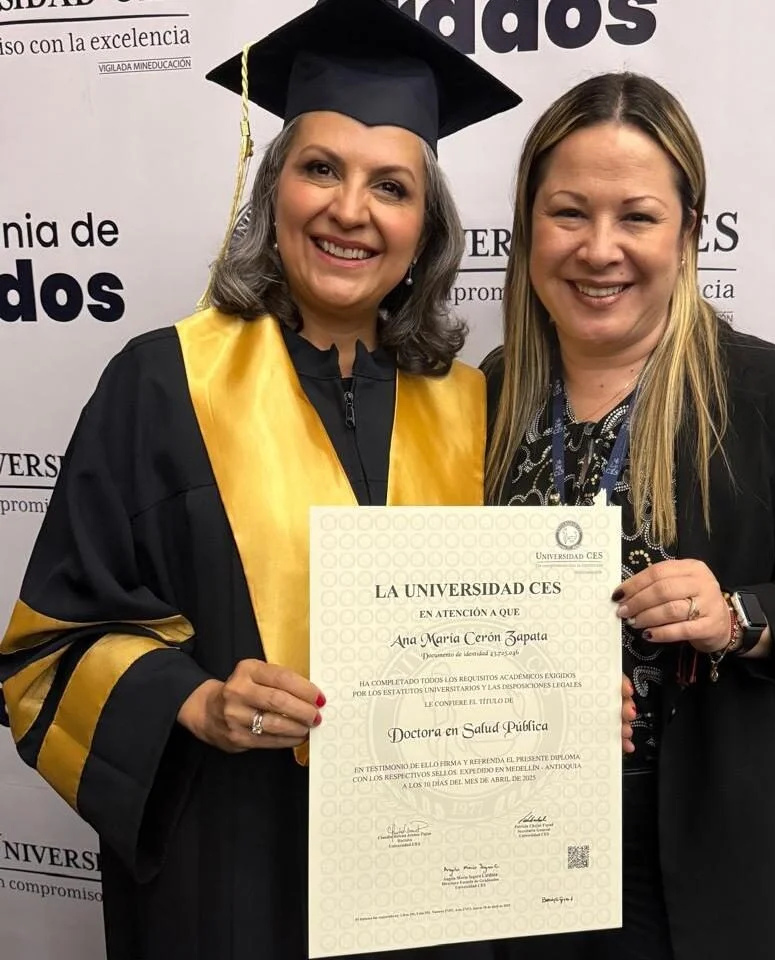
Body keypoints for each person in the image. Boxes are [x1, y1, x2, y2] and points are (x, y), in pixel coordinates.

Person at [0, 2, 520, 959]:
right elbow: (49, 649)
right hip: (227, 875)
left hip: (427, 889)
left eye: (391, 186)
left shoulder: (474, 411)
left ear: (425, 227)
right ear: (274, 189)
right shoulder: (161, 385)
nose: (350, 211)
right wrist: (195, 701)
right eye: (320, 168)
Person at [483, 73, 775, 960]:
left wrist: (736, 615)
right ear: (527, 226)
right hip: (506, 836)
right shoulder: (487, 392)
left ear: (689, 231)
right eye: (568, 213)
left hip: (693, 860)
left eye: (637, 216)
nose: (599, 249)